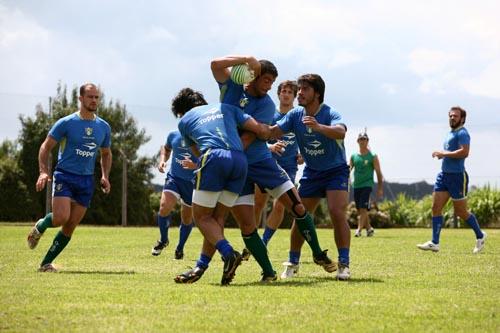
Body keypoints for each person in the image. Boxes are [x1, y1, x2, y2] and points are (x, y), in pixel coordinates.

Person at [211, 55, 336, 280]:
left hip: (261, 163)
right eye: (267, 80)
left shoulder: (266, 104)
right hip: (236, 167)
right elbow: (215, 65)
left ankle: (317, 253)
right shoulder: (232, 89)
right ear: (252, 76)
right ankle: (268, 273)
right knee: (248, 226)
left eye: (272, 82)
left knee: (297, 208)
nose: (270, 87)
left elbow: (248, 139)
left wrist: (230, 147)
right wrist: (247, 59)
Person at [171, 88, 271, 285]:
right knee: (217, 219)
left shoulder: (184, 121)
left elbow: (197, 152)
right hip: (240, 160)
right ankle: (201, 266)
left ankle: (228, 254)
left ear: (182, 111)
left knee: (200, 217)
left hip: (214, 157)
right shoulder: (226, 108)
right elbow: (260, 129)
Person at [269, 74, 351, 280]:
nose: (300, 93)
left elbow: (340, 132)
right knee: (301, 214)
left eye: (305, 89)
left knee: (336, 212)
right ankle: (293, 262)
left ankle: (344, 263)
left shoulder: (330, 113)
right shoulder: (295, 115)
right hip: (312, 172)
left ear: (317, 93)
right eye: (300, 89)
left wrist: (318, 127)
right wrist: (250, 126)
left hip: (336, 170)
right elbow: (273, 131)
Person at [27, 83, 112, 272]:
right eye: (90, 97)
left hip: (87, 180)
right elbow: (45, 147)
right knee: (60, 218)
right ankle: (41, 226)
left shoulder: (103, 127)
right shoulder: (66, 123)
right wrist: (43, 171)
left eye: (97, 97)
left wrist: (105, 176)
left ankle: (45, 264)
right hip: (65, 175)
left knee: (71, 224)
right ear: (80, 98)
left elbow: (106, 153)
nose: (94, 100)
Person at [417, 106, 486, 253]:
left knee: (461, 212)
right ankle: (435, 242)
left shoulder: (463, 133)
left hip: (457, 177)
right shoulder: (449, 133)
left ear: (462, 118)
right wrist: (443, 155)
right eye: (450, 116)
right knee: (436, 208)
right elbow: (450, 152)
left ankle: (480, 236)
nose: (452, 118)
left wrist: (444, 153)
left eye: (455, 116)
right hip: (444, 175)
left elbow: (465, 152)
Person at [254, 80, 303, 248]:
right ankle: (251, 240)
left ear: (295, 96)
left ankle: (264, 241)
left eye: (290, 92)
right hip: (267, 164)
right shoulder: (270, 115)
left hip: (289, 167)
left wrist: (304, 155)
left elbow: (307, 139)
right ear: (279, 94)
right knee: (258, 203)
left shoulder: (299, 116)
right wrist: (270, 146)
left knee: (281, 205)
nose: (286, 94)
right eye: (284, 91)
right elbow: (257, 138)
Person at [151, 130, 197, 259]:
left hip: (193, 183)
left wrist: (195, 165)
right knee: (164, 207)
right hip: (174, 178)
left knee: (187, 218)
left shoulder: (202, 136)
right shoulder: (173, 135)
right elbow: (166, 149)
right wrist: (162, 161)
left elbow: (210, 158)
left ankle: (180, 248)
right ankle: (163, 240)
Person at [349, 131, 384, 237]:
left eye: (364, 139)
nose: (362, 141)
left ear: (367, 141)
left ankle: (358, 230)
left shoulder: (373, 156)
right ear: (357, 141)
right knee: (360, 209)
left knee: (363, 208)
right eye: (361, 139)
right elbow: (349, 169)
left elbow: (378, 172)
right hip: (356, 185)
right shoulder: (354, 156)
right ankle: (369, 228)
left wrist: (380, 188)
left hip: (367, 184)